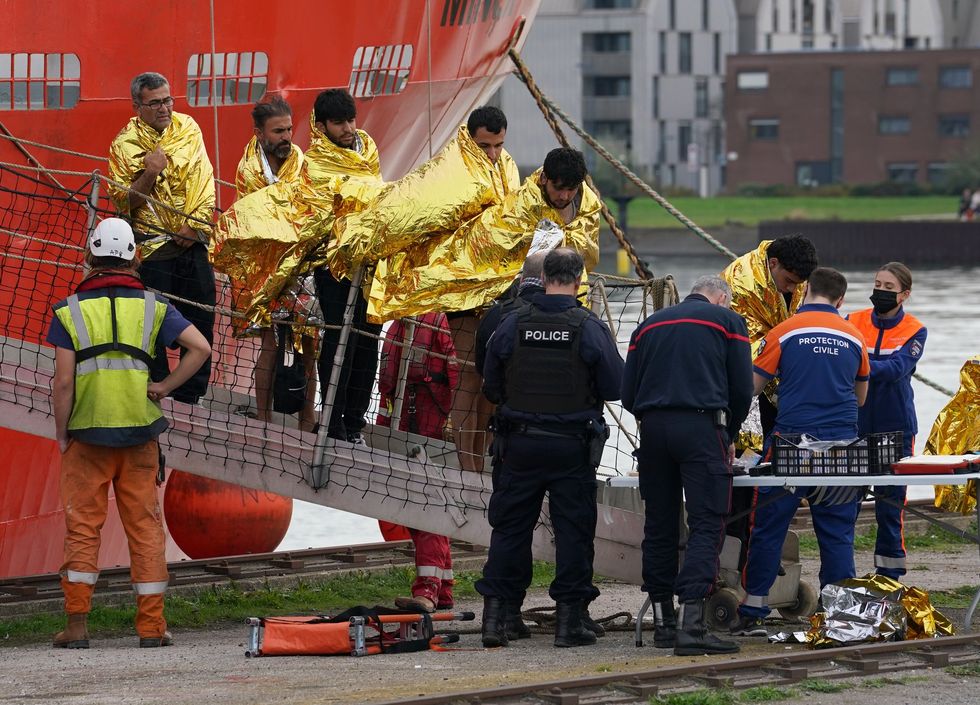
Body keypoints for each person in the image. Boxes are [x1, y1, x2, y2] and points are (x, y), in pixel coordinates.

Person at [48, 218, 211, 648]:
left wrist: (62, 434)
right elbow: (201, 348)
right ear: (137, 256)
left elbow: (63, 382)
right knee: (144, 529)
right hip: (140, 433)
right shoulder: (155, 307)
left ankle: (78, 628)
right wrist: (164, 387)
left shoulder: (70, 311)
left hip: (87, 435)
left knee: (83, 528)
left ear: (90, 256)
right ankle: (152, 629)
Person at [477, 248, 624, 648]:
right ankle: (569, 622)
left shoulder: (511, 323)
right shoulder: (589, 326)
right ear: (579, 280)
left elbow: (490, 383)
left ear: (542, 278)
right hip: (571, 448)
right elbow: (615, 386)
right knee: (574, 533)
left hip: (518, 443)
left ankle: (498, 618)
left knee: (509, 529)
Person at [733, 267, 870, 637]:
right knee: (838, 532)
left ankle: (753, 609)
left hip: (791, 446)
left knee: (768, 527)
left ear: (805, 290)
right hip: (842, 449)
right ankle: (838, 615)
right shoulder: (856, 337)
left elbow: (752, 386)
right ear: (840, 299)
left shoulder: (784, 331)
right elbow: (860, 398)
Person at [621, 276, 753, 656]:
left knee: (659, 524)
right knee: (707, 522)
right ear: (722, 298)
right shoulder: (727, 322)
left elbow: (628, 393)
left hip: (654, 431)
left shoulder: (647, 326)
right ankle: (691, 625)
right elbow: (742, 389)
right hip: (701, 428)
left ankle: (663, 621)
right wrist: (728, 434)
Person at [108, 72, 216, 405]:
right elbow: (122, 202)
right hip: (154, 250)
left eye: (167, 100)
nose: (164, 108)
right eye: (154, 103)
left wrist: (196, 226)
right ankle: (153, 387)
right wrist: (151, 171)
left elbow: (205, 179)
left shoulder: (189, 128)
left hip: (191, 242)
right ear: (137, 105)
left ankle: (189, 395)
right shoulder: (124, 144)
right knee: (150, 327)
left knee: (201, 318)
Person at [233, 96, 317, 431]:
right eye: (278, 130)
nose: (286, 137)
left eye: (289, 130)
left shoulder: (300, 160)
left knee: (310, 339)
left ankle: (308, 416)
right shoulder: (248, 170)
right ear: (258, 132)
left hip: (302, 266)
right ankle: (263, 415)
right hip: (266, 267)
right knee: (270, 342)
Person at [448, 105, 521, 472]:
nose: (492, 154)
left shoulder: (506, 165)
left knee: (492, 373)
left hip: (500, 282)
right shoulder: (454, 167)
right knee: (468, 372)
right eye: (485, 146)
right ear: (470, 138)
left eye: (498, 145)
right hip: (462, 283)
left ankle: (480, 458)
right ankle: (467, 464)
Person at [309, 88, 384, 443]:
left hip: (369, 262)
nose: (348, 128)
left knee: (369, 340)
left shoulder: (367, 148)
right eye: (339, 123)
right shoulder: (313, 162)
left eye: (351, 120)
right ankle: (333, 419)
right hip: (332, 264)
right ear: (322, 125)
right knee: (340, 337)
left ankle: (355, 422)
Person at [374, 313, 460, 612]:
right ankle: (444, 587)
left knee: (429, 509)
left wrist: (454, 422)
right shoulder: (399, 323)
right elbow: (388, 386)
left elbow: (455, 373)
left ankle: (428, 590)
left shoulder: (438, 322)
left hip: (431, 428)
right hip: (403, 427)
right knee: (417, 512)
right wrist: (383, 428)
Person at [847, 262, 926, 580]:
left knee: (890, 506)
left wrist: (858, 366)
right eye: (877, 284)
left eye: (889, 288)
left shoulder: (915, 330)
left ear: (904, 294)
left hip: (896, 428)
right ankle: (843, 574)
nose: (880, 291)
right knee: (845, 503)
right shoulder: (852, 320)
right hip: (854, 424)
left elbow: (897, 369)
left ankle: (889, 578)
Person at [722, 234, 818, 437]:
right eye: (789, 281)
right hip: (753, 368)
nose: (793, 288)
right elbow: (741, 340)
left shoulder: (795, 276)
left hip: (781, 360)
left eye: (799, 283)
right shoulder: (739, 282)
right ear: (773, 263)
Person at [474, 250, 547, 377]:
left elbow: (482, 367)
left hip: (507, 394)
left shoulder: (496, 314)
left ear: (522, 279)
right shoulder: (578, 318)